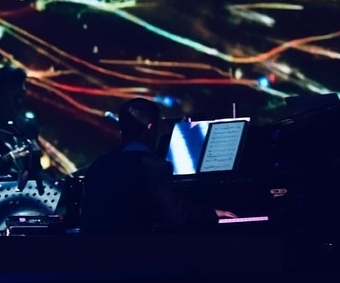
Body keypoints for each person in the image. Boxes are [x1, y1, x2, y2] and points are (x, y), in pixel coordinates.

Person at [80, 97, 236, 235]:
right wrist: (212, 213)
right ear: (150, 128)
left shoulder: (99, 164)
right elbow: (177, 215)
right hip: (133, 252)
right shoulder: (153, 165)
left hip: (95, 253)